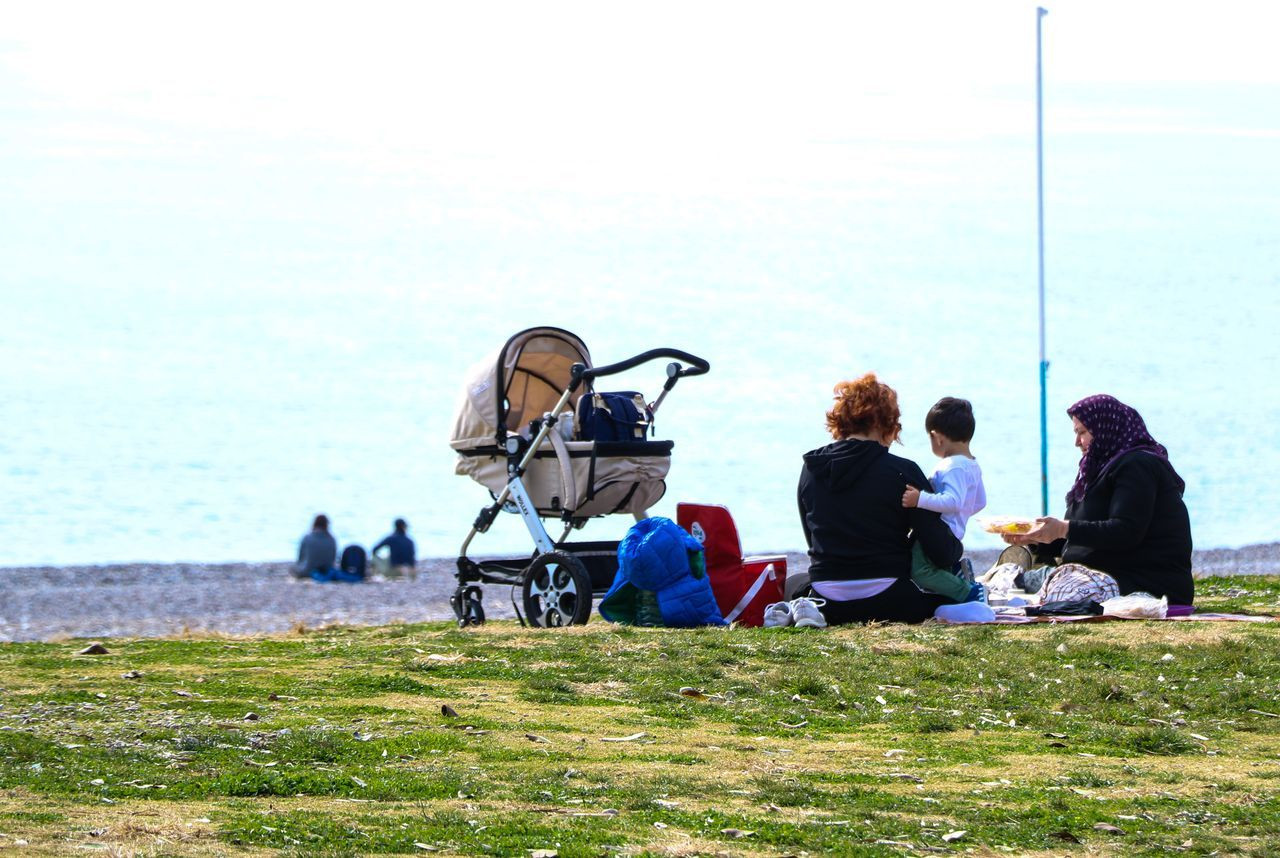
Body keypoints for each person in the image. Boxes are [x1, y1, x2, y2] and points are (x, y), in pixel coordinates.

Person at [793, 373, 973, 625]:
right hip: (890, 598)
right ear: (886, 424)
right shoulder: (902, 472)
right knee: (954, 596)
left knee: (795, 583)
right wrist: (957, 545)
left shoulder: (812, 468)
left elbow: (813, 538)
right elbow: (941, 552)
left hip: (827, 598)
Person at [1000, 394, 1193, 605]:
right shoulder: (1098, 470)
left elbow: (1125, 532)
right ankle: (1021, 579)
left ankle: (1033, 581)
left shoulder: (1138, 465)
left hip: (1147, 581)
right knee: (1004, 583)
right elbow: (1087, 539)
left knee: (1058, 589)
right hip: (1103, 574)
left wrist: (1064, 528)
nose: (1077, 442)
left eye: (1082, 432)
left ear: (1105, 428)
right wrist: (1038, 538)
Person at [901, 397, 987, 602]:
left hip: (940, 531)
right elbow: (980, 501)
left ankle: (969, 592)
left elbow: (952, 501)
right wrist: (961, 515)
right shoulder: (971, 464)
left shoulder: (951, 465)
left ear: (937, 437)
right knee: (932, 567)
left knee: (920, 570)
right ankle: (956, 572)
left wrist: (919, 499)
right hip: (955, 532)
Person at [294, 514, 338, 579]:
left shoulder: (307, 537)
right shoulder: (332, 539)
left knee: (293, 568)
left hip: (307, 572)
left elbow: (300, 559)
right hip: (326, 572)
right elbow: (333, 559)